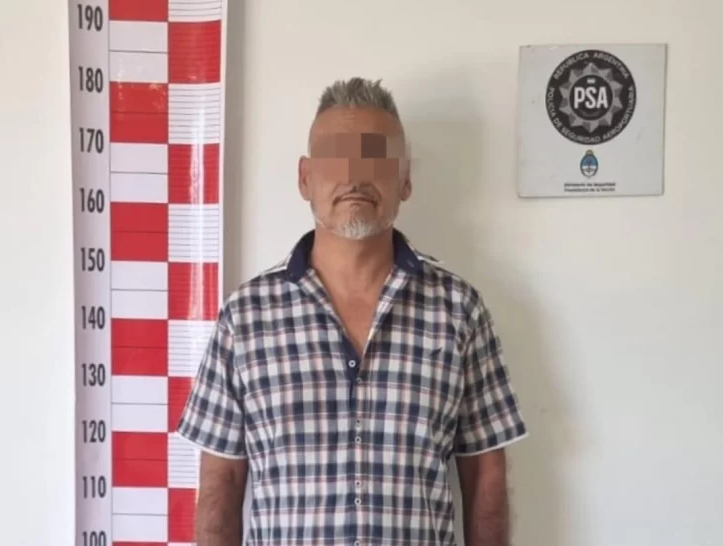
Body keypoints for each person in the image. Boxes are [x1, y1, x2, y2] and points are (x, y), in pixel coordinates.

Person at [177, 77, 528, 546]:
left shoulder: (459, 311)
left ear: (405, 179)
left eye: (375, 157)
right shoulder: (245, 318)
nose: (354, 175)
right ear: (305, 178)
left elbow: (485, 474)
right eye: (334, 156)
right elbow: (220, 484)